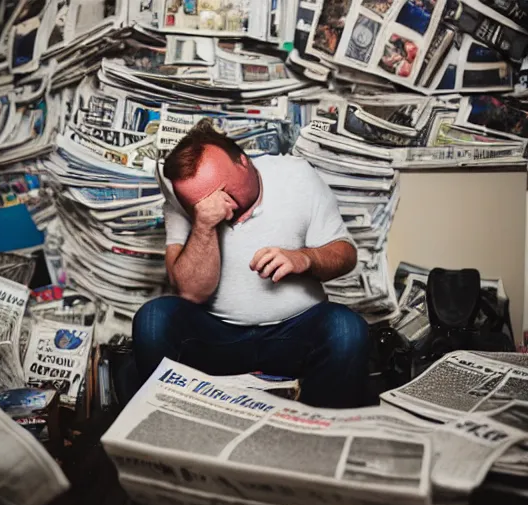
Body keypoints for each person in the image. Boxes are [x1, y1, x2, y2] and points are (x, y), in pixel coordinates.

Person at [131, 119, 370, 408]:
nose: (220, 205)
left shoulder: (296, 176)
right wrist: (204, 225)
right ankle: (164, 430)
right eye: (200, 203)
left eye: (223, 191)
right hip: (218, 336)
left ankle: (318, 433)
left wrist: (305, 258)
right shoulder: (184, 204)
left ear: (243, 163)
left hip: (295, 332)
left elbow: (345, 254)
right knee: (153, 319)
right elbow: (192, 293)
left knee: (347, 329)